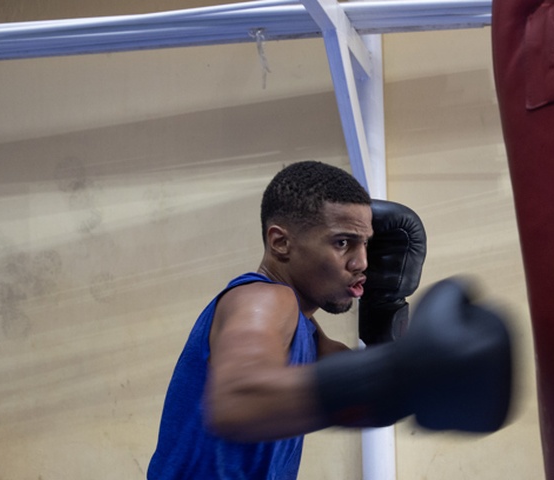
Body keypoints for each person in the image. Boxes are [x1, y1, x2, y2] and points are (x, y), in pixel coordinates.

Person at [147, 160, 513, 479]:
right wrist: (400, 374)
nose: (362, 263)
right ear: (280, 243)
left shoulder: (306, 330)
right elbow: (236, 402)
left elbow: (365, 400)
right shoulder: (263, 298)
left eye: (366, 244)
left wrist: (402, 342)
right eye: (343, 243)